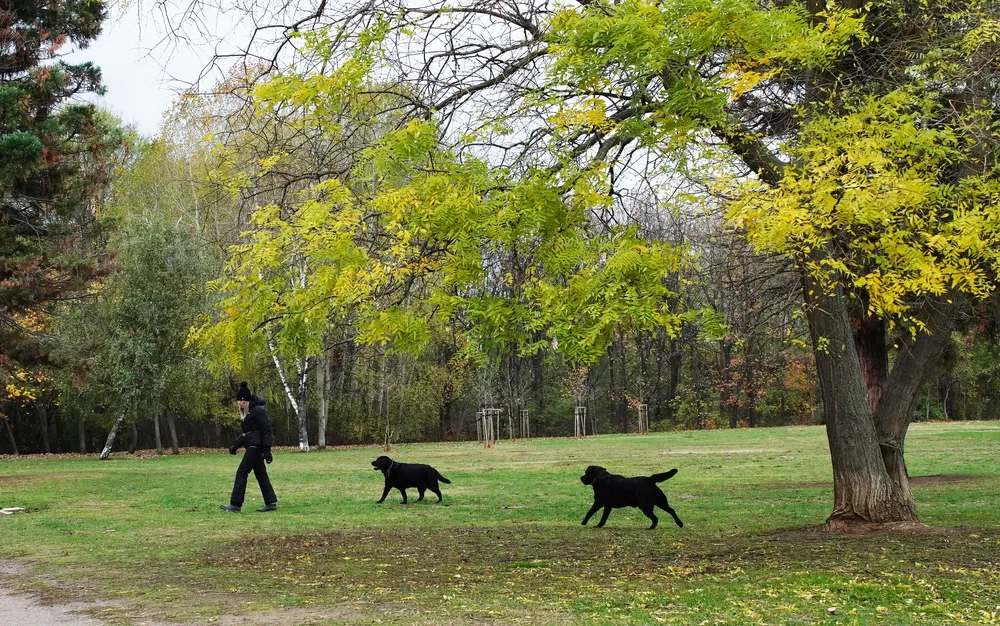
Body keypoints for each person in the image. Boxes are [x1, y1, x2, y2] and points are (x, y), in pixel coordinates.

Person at [220, 382, 278, 513]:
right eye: (238, 401)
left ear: (247, 400)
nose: (240, 403)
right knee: (261, 474)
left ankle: (235, 504)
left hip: (255, 447)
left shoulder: (257, 410)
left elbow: (267, 429)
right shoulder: (248, 413)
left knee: (242, 472)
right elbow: (247, 433)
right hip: (253, 446)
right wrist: (235, 446)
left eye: (242, 400)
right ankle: (271, 502)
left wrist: (267, 449)